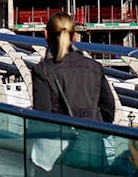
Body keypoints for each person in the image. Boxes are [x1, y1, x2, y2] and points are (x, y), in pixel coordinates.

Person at [30, 12, 116, 169]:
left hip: (55, 154)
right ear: (75, 36)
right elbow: (108, 108)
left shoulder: (41, 71)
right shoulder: (94, 67)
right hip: (92, 149)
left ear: (46, 35)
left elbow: (41, 114)